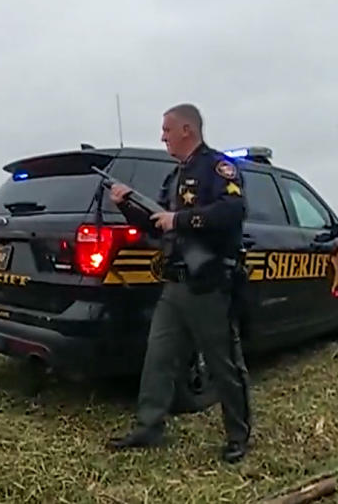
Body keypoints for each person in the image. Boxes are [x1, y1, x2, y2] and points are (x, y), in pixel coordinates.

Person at [105, 103, 252, 463]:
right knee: (158, 357)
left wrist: (181, 219)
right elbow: (159, 225)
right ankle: (149, 426)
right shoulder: (175, 177)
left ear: (187, 129)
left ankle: (238, 436)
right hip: (174, 286)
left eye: (167, 130)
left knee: (223, 364)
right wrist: (126, 205)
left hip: (209, 285)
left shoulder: (219, 167)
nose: (162, 136)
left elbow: (233, 211)